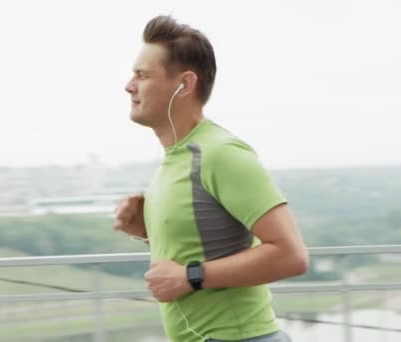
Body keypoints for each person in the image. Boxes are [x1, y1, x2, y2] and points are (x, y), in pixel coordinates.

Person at [114, 15, 309, 342]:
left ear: (184, 85)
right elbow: (207, 241)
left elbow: (291, 255)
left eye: (142, 75)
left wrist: (190, 276)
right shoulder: (174, 159)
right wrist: (146, 231)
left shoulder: (221, 153)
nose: (129, 85)